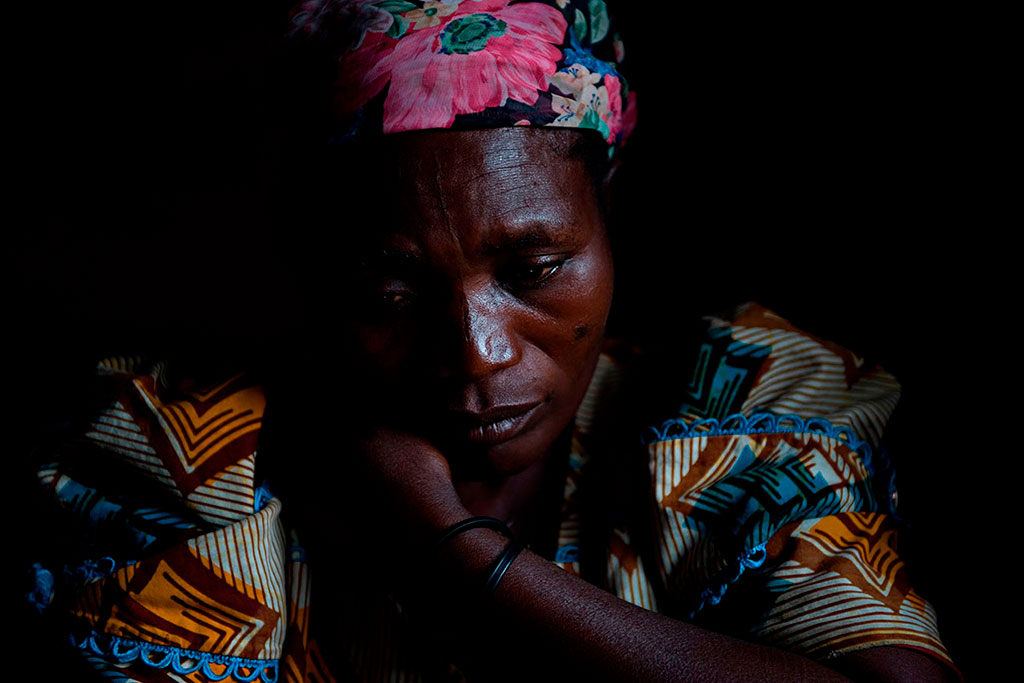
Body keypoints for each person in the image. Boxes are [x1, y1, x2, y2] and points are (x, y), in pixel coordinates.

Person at [24, 1, 959, 681]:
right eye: (390, 291)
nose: (477, 353)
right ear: (312, 270)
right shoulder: (193, 458)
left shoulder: (739, 405)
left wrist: (463, 557)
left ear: (607, 215)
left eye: (535, 268)